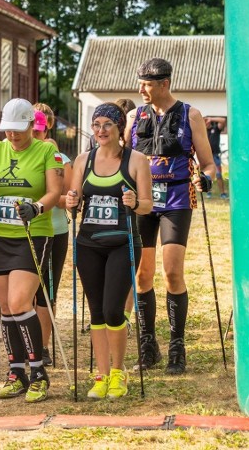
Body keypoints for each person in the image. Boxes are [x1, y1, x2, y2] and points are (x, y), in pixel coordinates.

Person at [125, 58, 216, 374]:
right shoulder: (134, 116)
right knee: (142, 276)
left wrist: (205, 177)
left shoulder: (191, 115)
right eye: (141, 83)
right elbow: (121, 159)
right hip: (143, 203)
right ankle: (148, 347)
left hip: (177, 199)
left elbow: (208, 163)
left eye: (147, 84)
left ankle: (177, 348)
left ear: (165, 83)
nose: (142, 90)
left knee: (172, 273)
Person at [0, 98, 63, 403]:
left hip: (32, 233)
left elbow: (54, 192)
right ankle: (15, 372)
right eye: (7, 130)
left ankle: (38, 372)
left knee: (20, 300)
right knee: (6, 307)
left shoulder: (47, 150)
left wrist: (36, 207)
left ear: (30, 125)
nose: (12, 135)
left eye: (17, 129)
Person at [66, 103, 153, 398]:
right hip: (88, 243)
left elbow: (148, 205)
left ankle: (119, 372)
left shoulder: (137, 160)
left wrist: (134, 203)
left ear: (119, 129)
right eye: (96, 124)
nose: (100, 130)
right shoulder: (83, 160)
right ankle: (101, 375)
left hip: (122, 242)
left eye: (107, 125)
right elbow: (74, 199)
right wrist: (70, 202)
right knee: (96, 312)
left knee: (114, 310)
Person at [31, 106, 72, 366]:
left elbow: (64, 199)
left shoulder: (61, 158)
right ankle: (28, 343)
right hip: (21, 232)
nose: (33, 135)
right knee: (27, 293)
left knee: (46, 292)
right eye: (30, 129)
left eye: (38, 130)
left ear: (47, 128)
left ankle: (42, 346)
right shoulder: (15, 155)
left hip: (54, 231)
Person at [205, 116, 228, 199]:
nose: (206, 122)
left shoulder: (216, 129)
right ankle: (208, 193)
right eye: (204, 121)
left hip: (215, 156)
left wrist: (211, 118)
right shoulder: (202, 131)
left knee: (218, 175)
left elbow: (223, 120)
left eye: (207, 121)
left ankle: (222, 193)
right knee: (207, 176)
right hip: (206, 157)